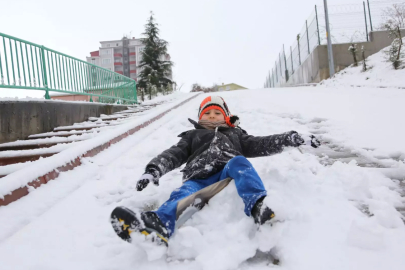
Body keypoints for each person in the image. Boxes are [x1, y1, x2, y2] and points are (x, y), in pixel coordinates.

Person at [111, 96, 320, 246]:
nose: (212, 116)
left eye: (217, 113)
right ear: (201, 117)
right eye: (207, 113)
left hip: (226, 175)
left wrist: (290, 138)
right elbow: (173, 154)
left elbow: (262, 143)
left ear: (226, 117)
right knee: (182, 193)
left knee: (239, 161)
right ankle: (159, 224)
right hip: (198, 179)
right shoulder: (192, 136)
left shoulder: (236, 135)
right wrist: (154, 169)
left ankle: (257, 205)